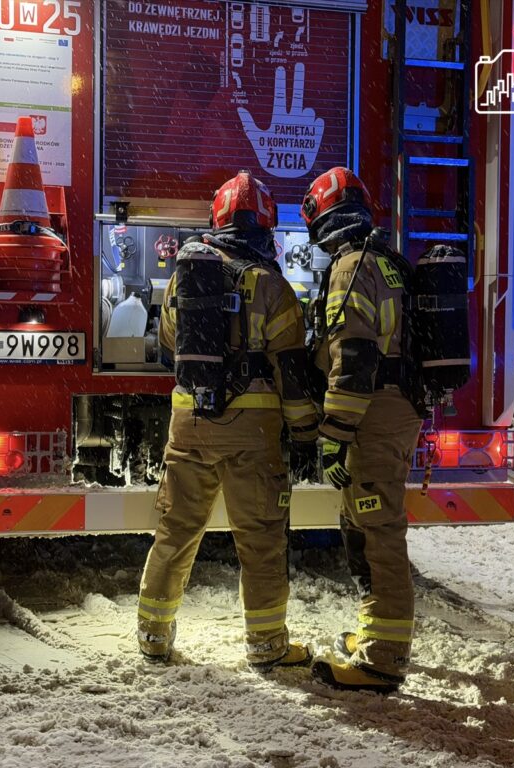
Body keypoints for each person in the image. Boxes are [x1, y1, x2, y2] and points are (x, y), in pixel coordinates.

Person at [137, 171, 318, 671]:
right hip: (252, 435)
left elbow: (170, 350)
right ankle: (266, 646)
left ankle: (153, 635)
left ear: (216, 221)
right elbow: (292, 373)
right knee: (260, 540)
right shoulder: (272, 287)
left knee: (175, 532)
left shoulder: (183, 279)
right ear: (265, 227)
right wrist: (304, 434)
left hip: (188, 425)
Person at [302, 167, 423, 693]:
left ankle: (382, 660)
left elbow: (352, 358)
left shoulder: (351, 267)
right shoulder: (389, 263)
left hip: (372, 412)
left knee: (378, 532)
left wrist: (335, 433)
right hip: (393, 409)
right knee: (364, 522)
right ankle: (377, 636)